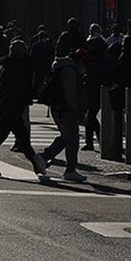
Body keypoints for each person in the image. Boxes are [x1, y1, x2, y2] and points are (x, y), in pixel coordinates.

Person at [0, 40, 48, 178]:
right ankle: (37, 164)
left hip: (8, 106)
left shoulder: (7, 64)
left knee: (3, 137)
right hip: (13, 106)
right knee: (21, 138)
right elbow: (18, 88)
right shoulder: (17, 67)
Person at [37, 48, 88, 182]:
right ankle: (69, 169)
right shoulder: (70, 71)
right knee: (72, 140)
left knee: (66, 138)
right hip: (66, 110)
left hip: (57, 108)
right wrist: (75, 109)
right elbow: (70, 93)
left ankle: (43, 158)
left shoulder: (61, 67)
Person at [82, 24, 108, 151]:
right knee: (90, 115)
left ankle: (93, 141)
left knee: (90, 115)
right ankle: (97, 140)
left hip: (94, 85)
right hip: (97, 84)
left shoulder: (93, 53)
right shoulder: (103, 47)